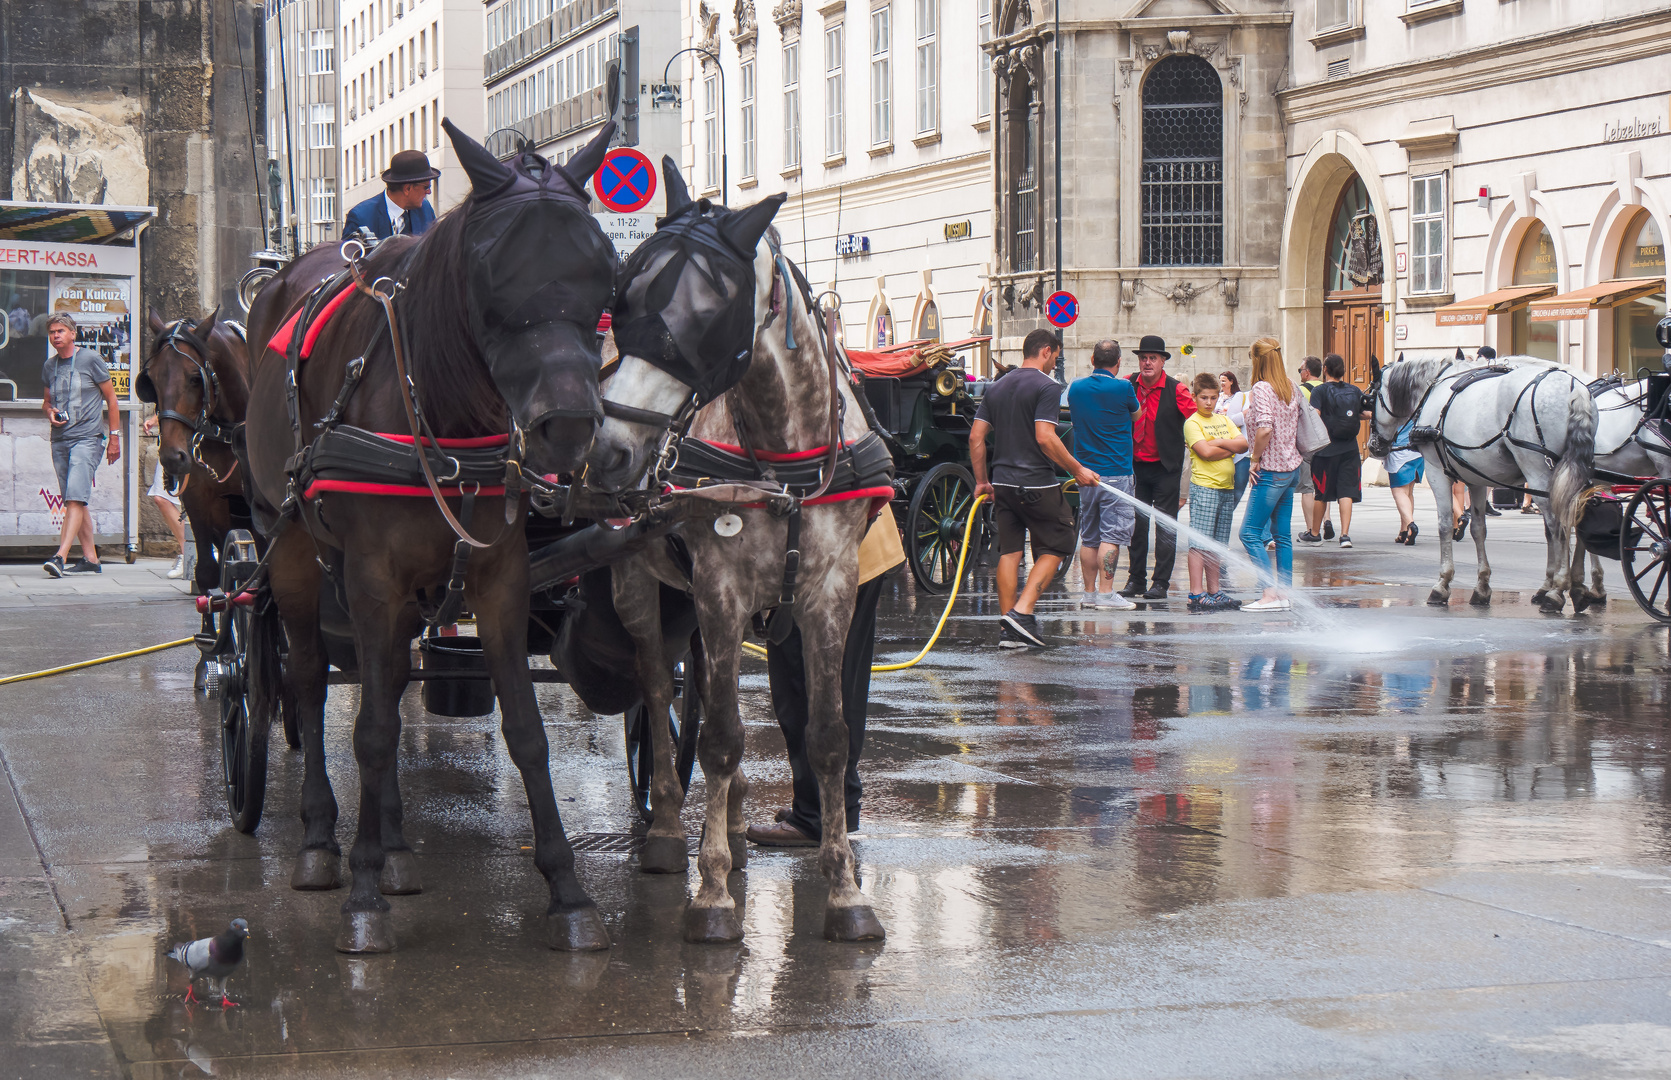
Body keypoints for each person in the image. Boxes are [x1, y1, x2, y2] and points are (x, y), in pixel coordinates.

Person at [748, 512, 904, 847]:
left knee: (802, 690)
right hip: (863, 545)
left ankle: (813, 817)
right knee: (844, 686)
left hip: (818, 559)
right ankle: (837, 809)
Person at [971, 329, 1099, 648]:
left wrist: (982, 481)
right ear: (1045, 351)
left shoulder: (996, 387)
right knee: (1061, 541)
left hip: (1001, 482)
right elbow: (1045, 437)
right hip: (1035, 482)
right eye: (1055, 356)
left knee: (1010, 551)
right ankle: (1022, 613)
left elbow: (975, 438)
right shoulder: (1046, 386)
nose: (1055, 363)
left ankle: (1010, 631)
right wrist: (1077, 469)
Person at [40, 314, 121, 577]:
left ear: (73, 334)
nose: (56, 336)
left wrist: (114, 438)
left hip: (88, 438)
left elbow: (112, 399)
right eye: (52, 332)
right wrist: (50, 412)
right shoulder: (49, 366)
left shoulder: (90, 359)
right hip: (60, 440)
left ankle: (60, 556)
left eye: (61, 331)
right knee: (76, 500)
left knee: (75, 497)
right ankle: (91, 559)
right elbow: (46, 402)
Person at [1118, 335, 1196, 601]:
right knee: (1136, 526)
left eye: (1153, 358)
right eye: (1143, 358)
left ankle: (1160, 583)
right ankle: (1136, 579)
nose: (1147, 363)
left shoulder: (1176, 390)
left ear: (1163, 361)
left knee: (1165, 527)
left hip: (1166, 469)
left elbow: (1196, 420)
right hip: (1136, 467)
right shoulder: (1128, 384)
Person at [1066, 339, 1139, 611]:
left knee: (1090, 536)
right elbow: (1136, 415)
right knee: (1112, 535)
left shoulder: (1076, 387)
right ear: (1118, 363)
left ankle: (1088, 594)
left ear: (1092, 360)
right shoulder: (1123, 387)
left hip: (1085, 473)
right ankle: (1107, 595)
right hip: (1117, 473)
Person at [1238, 338, 1303, 612]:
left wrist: (1254, 460)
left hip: (1272, 470)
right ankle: (1284, 593)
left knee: (1249, 533)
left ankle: (1269, 593)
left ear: (1257, 360)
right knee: (1283, 535)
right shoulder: (1290, 385)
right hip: (1291, 469)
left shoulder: (1262, 387)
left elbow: (1265, 428)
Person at [1182, 372, 1247, 613]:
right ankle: (1196, 594)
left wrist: (1218, 444)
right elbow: (1204, 453)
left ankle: (1214, 591)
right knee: (1199, 542)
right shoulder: (1193, 423)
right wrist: (1227, 448)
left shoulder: (1223, 419)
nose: (1208, 403)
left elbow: (1243, 445)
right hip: (1205, 487)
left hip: (1225, 488)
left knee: (1217, 544)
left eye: (1212, 398)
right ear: (1194, 397)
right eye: (1203, 398)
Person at [1308, 353, 1370, 549]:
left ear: (1325, 370)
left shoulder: (1320, 391)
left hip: (1325, 449)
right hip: (1350, 448)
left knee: (1321, 493)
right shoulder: (1354, 390)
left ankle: (1315, 533)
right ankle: (1345, 536)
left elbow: (1314, 416)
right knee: (1346, 492)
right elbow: (1365, 413)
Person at [342, 150, 440, 241]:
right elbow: (347, 256)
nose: (429, 192)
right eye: (426, 187)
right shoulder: (361, 217)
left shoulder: (425, 210)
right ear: (407, 189)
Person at [142, 414, 188, 579]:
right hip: (171, 443)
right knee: (161, 497)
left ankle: (196, 552)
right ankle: (187, 552)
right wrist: (155, 419)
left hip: (195, 439)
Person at [1217, 371, 1253, 510]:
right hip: (1238, 450)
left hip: (1254, 453)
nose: (1222, 383)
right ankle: (1223, 516)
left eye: (1224, 380)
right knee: (1232, 491)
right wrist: (1247, 412)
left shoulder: (1238, 395)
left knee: (1241, 491)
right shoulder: (1241, 396)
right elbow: (1231, 420)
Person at [1386, 418, 1424, 545]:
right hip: (1417, 451)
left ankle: (1410, 524)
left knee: (1399, 492)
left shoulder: (1394, 402)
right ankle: (1403, 531)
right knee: (1408, 493)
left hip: (1399, 450)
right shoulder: (1417, 400)